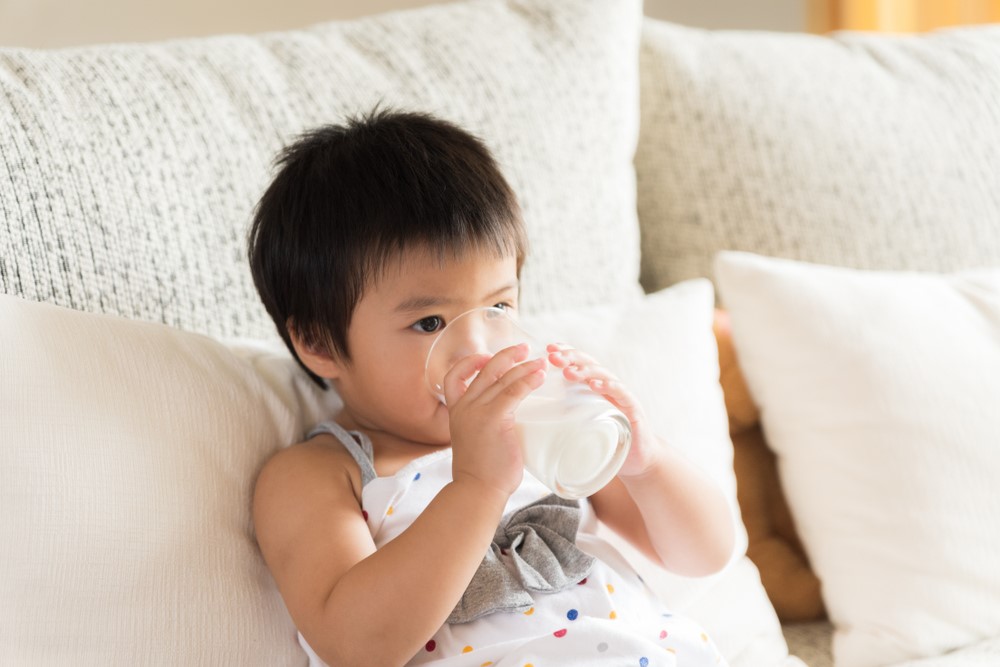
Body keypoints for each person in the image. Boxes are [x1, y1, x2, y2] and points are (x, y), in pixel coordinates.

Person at [247, 108, 736, 667]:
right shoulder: (319, 473)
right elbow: (357, 645)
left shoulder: (538, 429)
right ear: (319, 343)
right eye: (429, 323)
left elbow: (704, 554)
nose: (478, 348)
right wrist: (477, 485)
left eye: (499, 306)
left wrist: (646, 461)